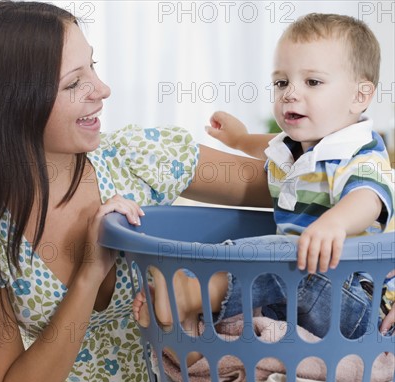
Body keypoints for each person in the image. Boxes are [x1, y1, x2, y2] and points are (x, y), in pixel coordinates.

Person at [0, 1, 273, 382]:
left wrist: (353, 160)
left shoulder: (138, 160)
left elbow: (299, 193)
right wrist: (88, 275)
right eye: (74, 83)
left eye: (94, 67)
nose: (102, 89)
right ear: (12, 102)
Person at [133, 13, 394, 341]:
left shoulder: (361, 151)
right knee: (248, 317)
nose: (290, 93)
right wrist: (241, 140)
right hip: (294, 297)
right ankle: (189, 335)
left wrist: (335, 224)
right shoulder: (297, 148)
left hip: (355, 301)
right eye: (282, 82)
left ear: (360, 95)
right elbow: (273, 148)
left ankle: (195, 289)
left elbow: (368, 197)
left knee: (280, 255)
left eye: (312, 82)